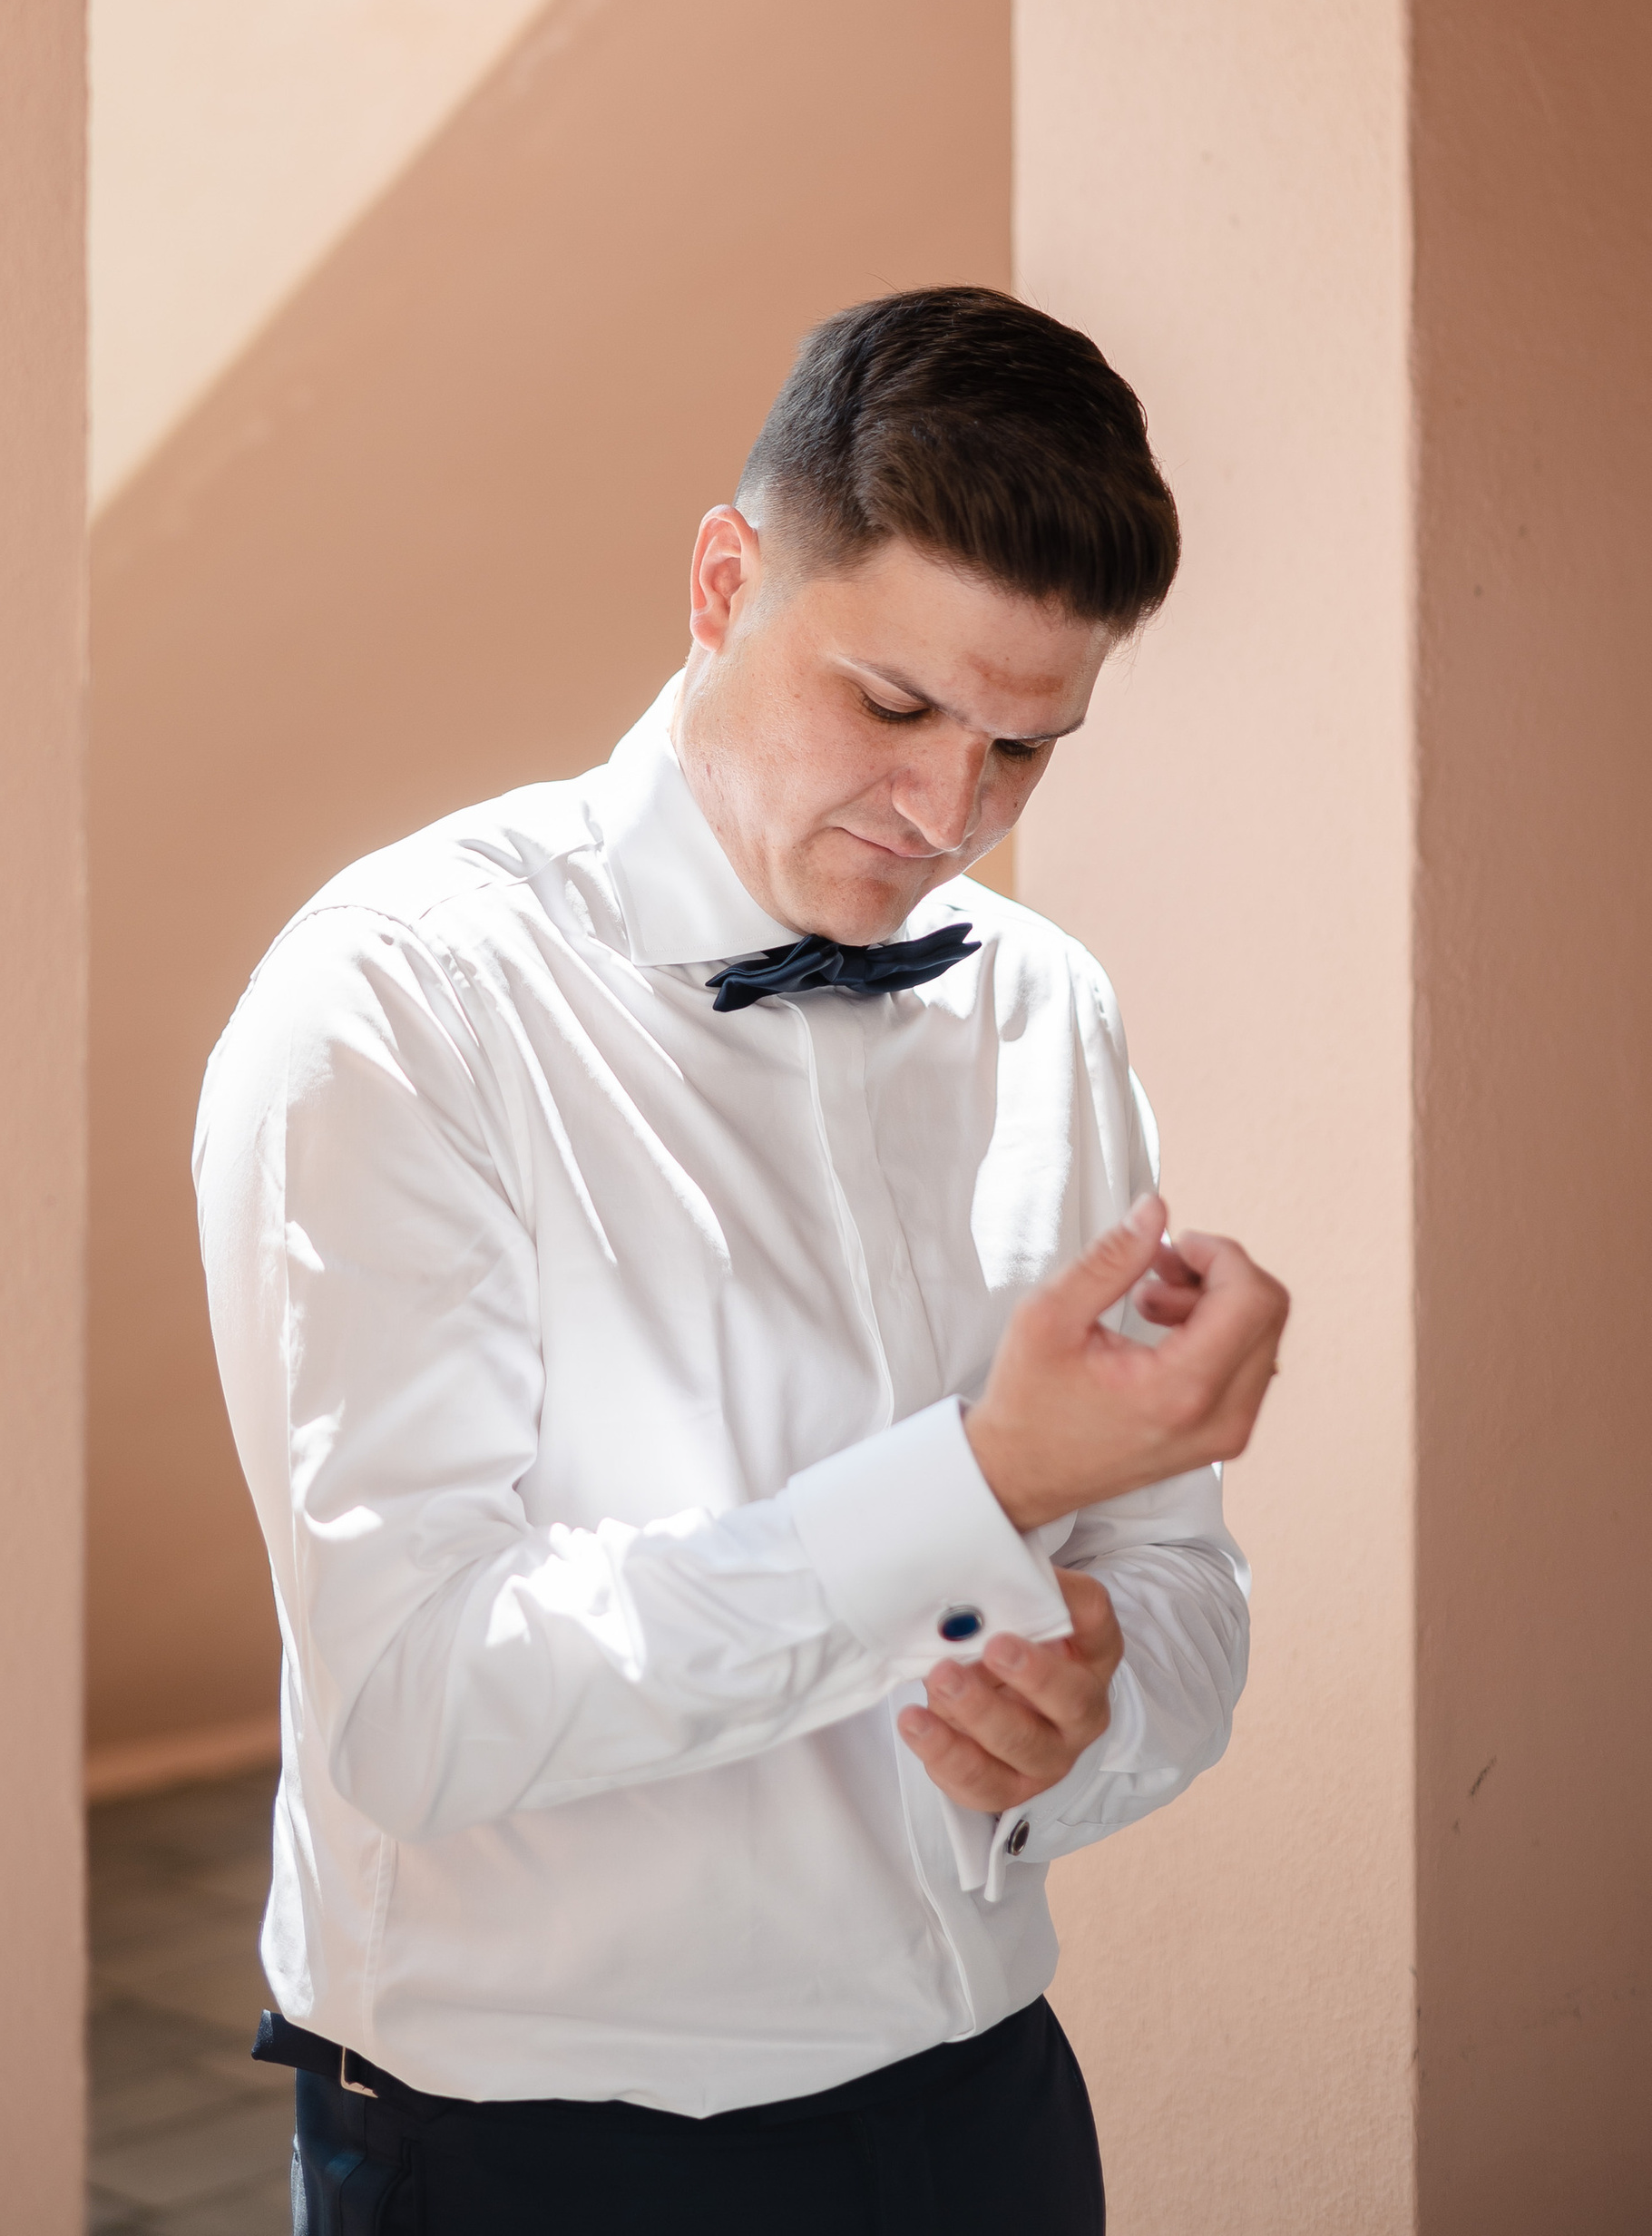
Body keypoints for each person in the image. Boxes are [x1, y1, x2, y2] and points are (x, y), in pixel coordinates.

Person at [194, 287, 1290, 2233]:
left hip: (983, 2111)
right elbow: (415, 1704)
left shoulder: (1045, 1012)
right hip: (528, 2150)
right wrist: (982, 1489)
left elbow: (1176, 1587)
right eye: (889, 706)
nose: (947, 814)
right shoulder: (396, 1002)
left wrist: (1095, 1716)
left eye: (1022, 749)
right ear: (721, 583)